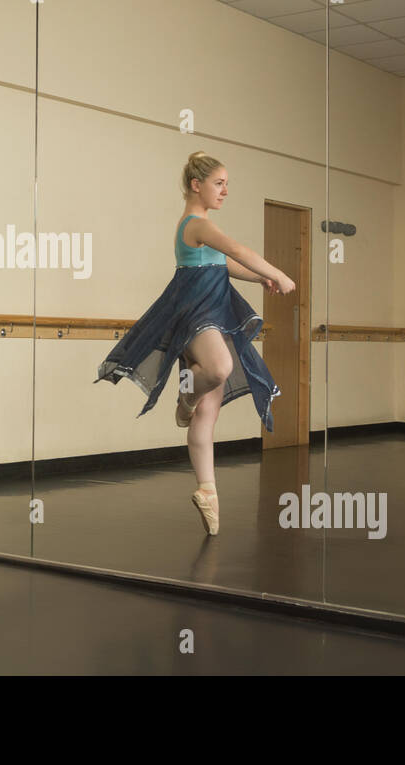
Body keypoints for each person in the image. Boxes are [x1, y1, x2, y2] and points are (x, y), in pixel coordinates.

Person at [95, 151, 294, 536]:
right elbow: (238, 250)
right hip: (196, 316)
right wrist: (278, 273)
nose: (224, 191)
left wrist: (259, 280)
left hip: (215, 316)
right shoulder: (196, 224)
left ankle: (207, 491)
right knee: (219, 368)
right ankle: (184, 397)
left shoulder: (203, 231)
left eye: (226, 185)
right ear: (196, 185)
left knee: (209, 411)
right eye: (219, 183)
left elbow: (225, 264)